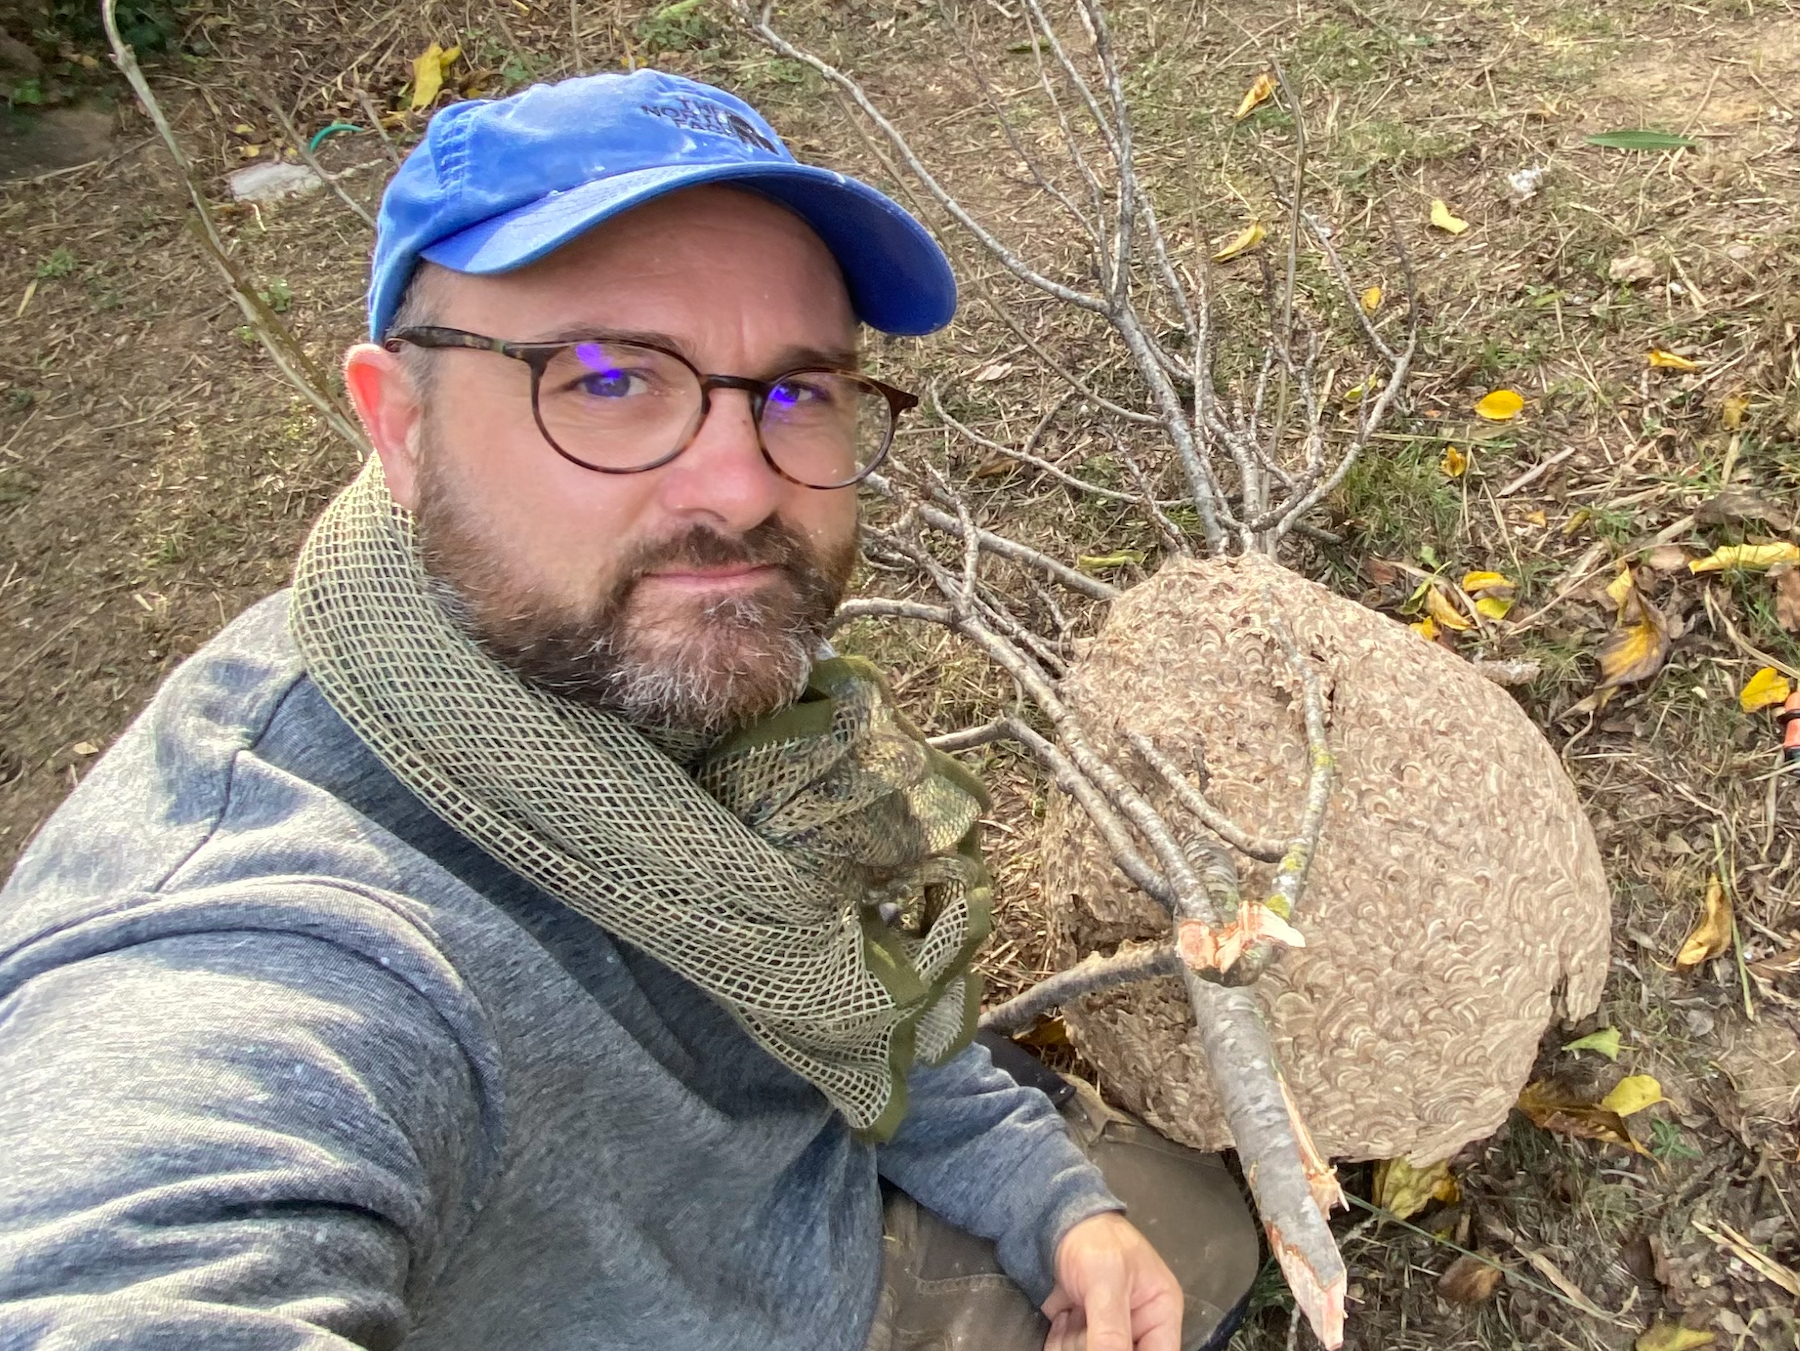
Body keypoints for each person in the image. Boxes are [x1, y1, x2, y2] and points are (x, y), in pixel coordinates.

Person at [0, 70, 1257, 1351]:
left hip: (814, 1182)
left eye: (798, 390)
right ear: (403, 426)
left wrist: (1040, 1190)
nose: (741, 486)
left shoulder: (640, 642)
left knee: (1203, 1234)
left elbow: (858, 974)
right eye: (606, 379)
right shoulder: (265, 936)